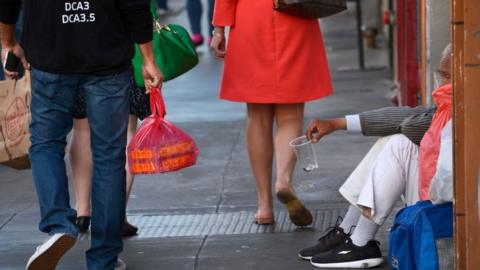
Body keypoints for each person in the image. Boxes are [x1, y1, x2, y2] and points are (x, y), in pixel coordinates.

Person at [0, 1, 163, 270]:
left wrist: (7, 41)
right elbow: (134, 4)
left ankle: (59, 224)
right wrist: (148, 59)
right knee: (109, 156)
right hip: (106, 56)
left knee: (45, 143)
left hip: (50, 55)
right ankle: (104, 258)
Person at [298, 44, 452, 268]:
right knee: (392, 141)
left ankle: (359, 242)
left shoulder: (462, 106)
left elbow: (414, 123)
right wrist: (338, 123)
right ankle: (351, 233)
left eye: (447, 76)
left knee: (399, 142)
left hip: (449, 213)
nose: (442, 83)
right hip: (438, 202)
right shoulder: (450, 103)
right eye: (442, 75)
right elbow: (415, 115)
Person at [210, 0, 333, 226]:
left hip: (250, 19)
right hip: (294, 13)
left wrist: (219, 28)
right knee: (290, 116)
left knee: (257, 117)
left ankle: (264, 205)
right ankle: (283, 180)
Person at [70, 75, 151, 237]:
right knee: (126, 129)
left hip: (79, 60)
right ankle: (116, 214)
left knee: (81, 129)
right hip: (122, 61)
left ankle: (82, 212)